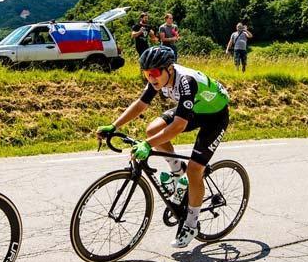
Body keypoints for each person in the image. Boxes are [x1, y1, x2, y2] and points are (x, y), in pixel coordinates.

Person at [95, 45, 230, 249]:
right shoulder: (158, 79)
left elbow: (178, 126)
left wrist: (147, 145)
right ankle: (178, 172)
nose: (151, 77)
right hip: (196, 108)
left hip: (215, 116)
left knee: (195, 170)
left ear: (169, 69)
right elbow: (141, 104)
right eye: (146, 73)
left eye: (155, 72)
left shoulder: (186, 81)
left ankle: (191, 224)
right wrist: (114, 126)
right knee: (152, 130)